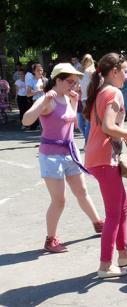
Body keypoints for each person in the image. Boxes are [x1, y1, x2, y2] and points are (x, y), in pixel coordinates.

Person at [21, 63, 104, 253]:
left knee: (82, 192)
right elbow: (26, 120)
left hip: (70, 153)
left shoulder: (68, 98)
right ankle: (50, 240)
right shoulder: (47, 100)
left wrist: (74, 103)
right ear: (58, 80)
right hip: (51, 157)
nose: (74, 86)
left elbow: (71, 125)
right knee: (59, 200)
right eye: (70, 82)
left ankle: (98, 223)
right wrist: (43, 101)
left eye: (76, 82)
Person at [83, 53, 127, 278]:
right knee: (114, 212)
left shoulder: (101, 91)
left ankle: (123, 255)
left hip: (98, 157)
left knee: (123, 205)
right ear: (114, 71)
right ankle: (105, 266)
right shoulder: (113, 92)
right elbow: (108, 126)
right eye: (124, 71)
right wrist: (126, 132)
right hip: (105, 159)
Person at [78, 54, 95, 142]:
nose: (86, 61)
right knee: (84, 123)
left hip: (88, 98)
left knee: (87, 122)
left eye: (88, 59)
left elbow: (94, 85)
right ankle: (88, 141)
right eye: (85, 59)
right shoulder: (82, 71)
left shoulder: (89, 71)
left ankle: (88, 142)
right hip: (84, 98)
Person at [25, 63, 46, 130]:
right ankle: (44, 134)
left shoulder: (45, 80)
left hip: (46, 100)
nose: (40, 72)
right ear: (34, 71)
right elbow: (28, 94)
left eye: (41, 70)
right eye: (38, 70)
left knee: (47, 118)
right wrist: (37, 91)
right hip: (37, 101)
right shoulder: (31, 81)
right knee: (42, 119)